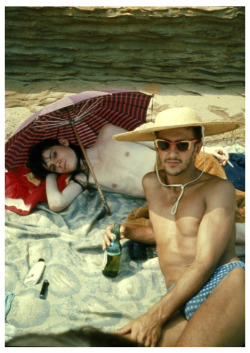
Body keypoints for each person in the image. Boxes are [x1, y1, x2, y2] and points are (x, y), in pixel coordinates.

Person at [102, 107, 245, 347]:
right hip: (178, 296)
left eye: (182, 145)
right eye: (163, 144)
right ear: (156, 146)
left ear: (197, 147)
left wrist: (153, 316)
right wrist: (126, 231)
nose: (172, 152)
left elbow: (205, 261)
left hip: (222, 282)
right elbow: (168, 233)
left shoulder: (218, 189)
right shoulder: (151, 183)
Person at [28, 124, 231, 212]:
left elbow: (156, 143)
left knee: (226, 194)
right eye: (53, 167)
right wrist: (49, 176)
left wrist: (203, 149)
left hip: (182, 165)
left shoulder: (107, 133)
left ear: (64, 141)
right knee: (220, 211)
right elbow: (56, 203)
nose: (58, 164)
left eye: (54, 155)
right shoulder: (84, 180)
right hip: (171, 193)